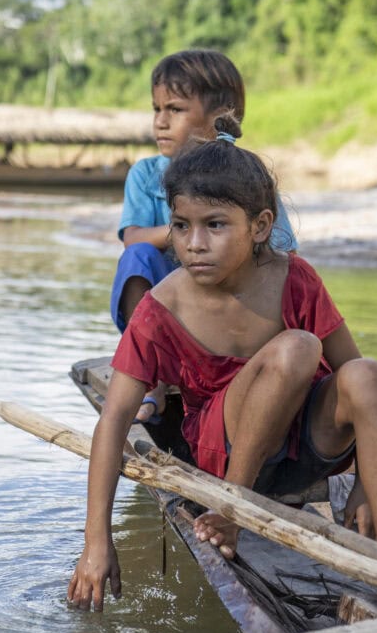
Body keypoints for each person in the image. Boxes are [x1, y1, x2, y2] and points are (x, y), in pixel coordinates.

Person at [69, 115, 377, 615]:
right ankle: (233, 508)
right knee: (297, 347)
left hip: (303, 449)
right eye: (182, 226)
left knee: (368, 373)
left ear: (260, 227)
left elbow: (357, 378)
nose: (193, 244)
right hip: (223, 458)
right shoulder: (160, 310)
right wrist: (96, 542)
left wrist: (366, 479)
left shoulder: (295, 278)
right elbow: (114, 420)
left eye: (215, 226)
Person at [111, 49, 298, 423]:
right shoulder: (146, 174)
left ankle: (253, 363)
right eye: (156, 109)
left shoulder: (245, 176)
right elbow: (133, 239)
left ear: (220, 117)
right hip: (174, 311)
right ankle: (151, 381)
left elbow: (283, 251)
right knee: (138, 259)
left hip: (235, 307)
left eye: (175, 110)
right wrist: (185, 231)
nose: (160, 122)